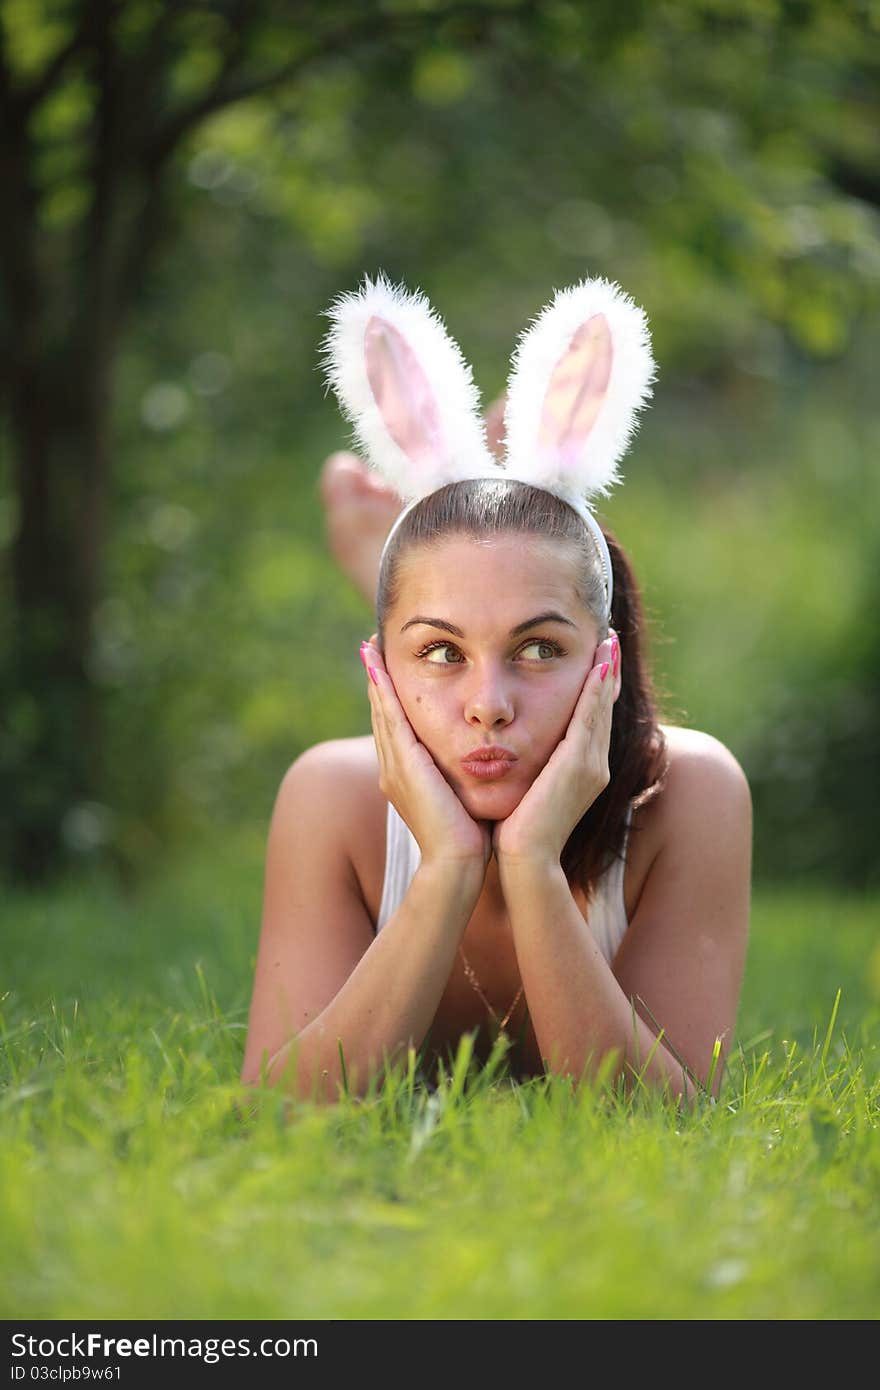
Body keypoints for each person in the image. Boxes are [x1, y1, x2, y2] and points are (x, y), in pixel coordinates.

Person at [240, 273, 752, 1105]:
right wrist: (443, 866)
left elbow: (668, 1124)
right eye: (442, 654)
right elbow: (277, 1114)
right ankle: (404, 557)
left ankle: (437, 572)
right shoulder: (329, 797)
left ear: (607, 662)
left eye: (541, 648)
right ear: (378, 671)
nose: (490, 705)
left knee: (475, 597)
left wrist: (532, 862)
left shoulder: (690, 793)